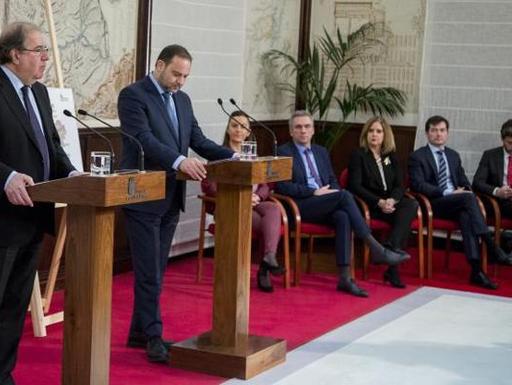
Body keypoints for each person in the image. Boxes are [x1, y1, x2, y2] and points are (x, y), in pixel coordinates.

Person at [0, 22, 78, 385]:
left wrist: (70, 176)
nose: (45, 59)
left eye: (46, 52)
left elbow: (50, 146)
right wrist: (6, 177)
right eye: (39, 51)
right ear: (14, 53)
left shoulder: (38, 94)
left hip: (31, 219)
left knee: (11, 313)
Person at [117, 44, 234, 363]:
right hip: (142, 195)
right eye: (176, 74)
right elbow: (142, 138)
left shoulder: (182, 100)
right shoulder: (133, 95)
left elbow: (198, 140)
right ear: (159, 65)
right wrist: (180, 161)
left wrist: (235, 156)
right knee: (148, 271)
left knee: (156, 269)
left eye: (185, 76)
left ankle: (139, 332)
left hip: (171, 197)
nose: (181, 81)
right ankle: (153, 336)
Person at [275, 110, 409, 298]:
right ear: (291, 131)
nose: (303, 131)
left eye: (307, 126)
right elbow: (282, 186)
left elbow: (333, 180)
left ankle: (345, 278)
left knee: (343, 216)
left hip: (325, 201)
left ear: (313, 130)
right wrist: (313, 191)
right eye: (298, 127)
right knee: (344, 196)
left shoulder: (321, 152)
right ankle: (376, 248)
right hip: (300, 205)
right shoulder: (283, 152)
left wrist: (332, 191)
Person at [408, 115, 512, 290]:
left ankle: (476, 271)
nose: (438, 134)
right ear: (427, 134)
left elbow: (465, 183)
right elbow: (418, 185)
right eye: (434, 130)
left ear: (447, 133)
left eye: (442, 130)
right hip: (434, 203)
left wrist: (464, 191)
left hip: (457, 203)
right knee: (468, 198)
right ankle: (491, 243)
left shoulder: (453, 156)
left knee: (466, 214)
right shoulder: (417, 157)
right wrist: (448, 192)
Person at [201, 111, 284, 292]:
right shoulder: (218, 153)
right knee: (266, 224)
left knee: (273, 208)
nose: (239, 130)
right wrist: (239, 196)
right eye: (234, 125)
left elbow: (265, 183)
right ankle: (265, 269)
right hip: (229, 204)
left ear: (249, 132)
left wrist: (258, 196)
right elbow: (209, 185)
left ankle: (269, 257)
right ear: (228, 129)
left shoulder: (251, 153)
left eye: (243, 126)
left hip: (254, 201)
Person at [347, 117, 419, 288]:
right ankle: (392, 268)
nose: (374, 135)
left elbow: (400, 185)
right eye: (371, 131)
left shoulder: (390, 156)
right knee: (404, 221)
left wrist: (392, 200)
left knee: (411, 205)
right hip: (370, 205)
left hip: (390, 204)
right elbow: (354, 186)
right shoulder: (359, 155)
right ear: (366, 134)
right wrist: (379, 202)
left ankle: (389, 248)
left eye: (379, 131)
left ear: (385, 135)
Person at [473, 119, 512, 219]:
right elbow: (477, 183)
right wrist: (497, 191)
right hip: (499, 203)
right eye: (510, 142)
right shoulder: (490, 156)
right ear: (502, 139)